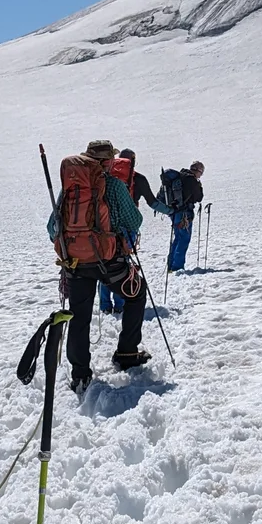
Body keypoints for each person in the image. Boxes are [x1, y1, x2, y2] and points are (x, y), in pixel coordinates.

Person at [57, 139, 151, 388]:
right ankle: (127, 353)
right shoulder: (114, 185)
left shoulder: (69, 188)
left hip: (75, 261)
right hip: (109, 259)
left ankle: (80, 373)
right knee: (136, 293)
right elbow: (135, 220)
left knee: (79, 316)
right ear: (108, 161)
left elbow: (52, 226)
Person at [98, 149, 158, 315]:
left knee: (102, 263)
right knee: (121, 263)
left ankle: (104, 305)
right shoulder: (137, 179)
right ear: (133, 161)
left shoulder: (104, 178)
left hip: (103, 228)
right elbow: (150, 203)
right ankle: (120, 303)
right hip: (127, 229)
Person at [163, 161, 206, 272]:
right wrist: (199, 186)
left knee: (178, 238)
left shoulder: (180, 176)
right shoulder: (191, 180)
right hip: (184, 214)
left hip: (174, 212)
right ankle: (177, 267)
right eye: (201, 173)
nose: (200, 176)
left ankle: (171, 265)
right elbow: (199, 197)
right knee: (183, 239)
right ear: (198, 171)